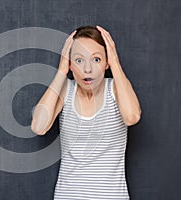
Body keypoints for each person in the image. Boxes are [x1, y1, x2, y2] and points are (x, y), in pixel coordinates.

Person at [31, 25, 141, 199]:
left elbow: (132, 116)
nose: (87, 69)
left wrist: (115, 62)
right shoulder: (66, 89)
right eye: (79, 60)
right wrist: (61, 71)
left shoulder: (116, 88)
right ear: (70, 64)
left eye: (96, 59)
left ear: (106, 63)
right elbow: (38, 127)